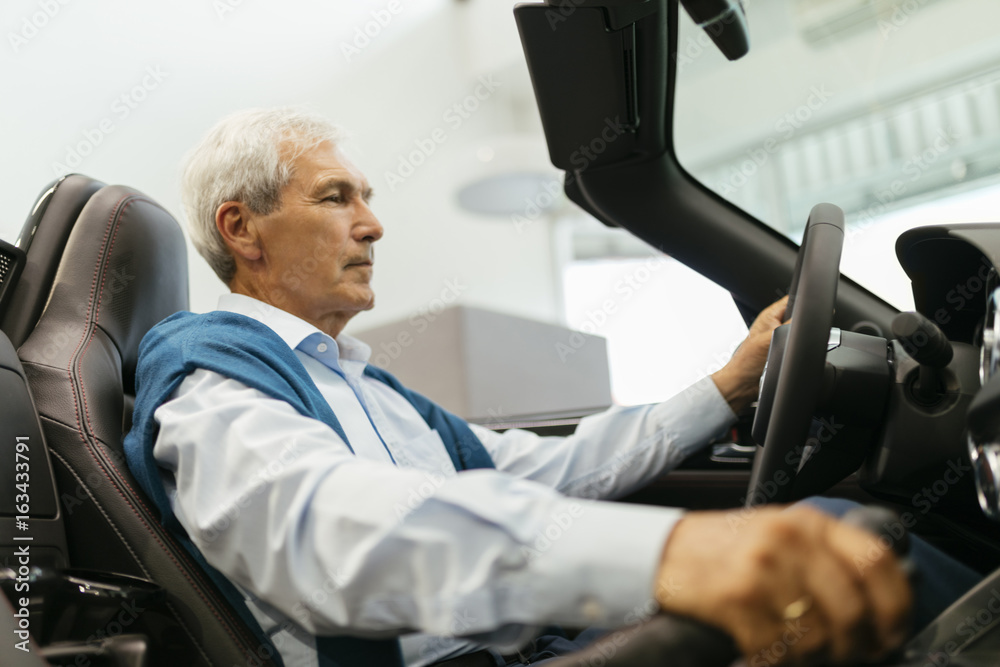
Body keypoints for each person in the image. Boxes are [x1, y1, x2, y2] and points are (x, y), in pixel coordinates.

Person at [123, 108, 912, 667]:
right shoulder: (207, 373)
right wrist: (670, 553)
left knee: (842, 530)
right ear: (241, 228)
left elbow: (540, 470)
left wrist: (728, 388)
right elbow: (327, 536)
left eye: (368, 197)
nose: (373, 224)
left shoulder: (364, 383)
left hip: (526, 645)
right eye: (337, 196)